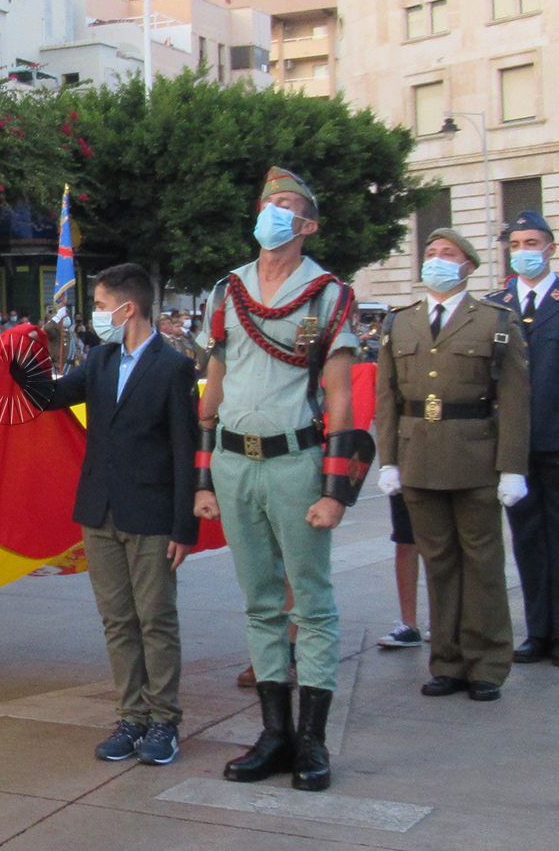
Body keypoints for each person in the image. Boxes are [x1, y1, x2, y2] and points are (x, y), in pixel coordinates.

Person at [194, 167, 359, 793]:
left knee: (310, 603)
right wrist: (203, 478)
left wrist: (334, 492)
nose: (274, 213)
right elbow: (213, 387)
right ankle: (274, 734)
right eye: (268, 204)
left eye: (287, 205)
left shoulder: (326, 294)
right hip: (234, 462)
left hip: (295, 461)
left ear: (308, 225)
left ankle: (312, 741)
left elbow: (339, 396)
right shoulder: (227, 290)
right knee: (260, 602)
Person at [16, 264, 199, 766]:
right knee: (117, 620)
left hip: (152, 513)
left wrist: (184, 525)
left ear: (127, 308)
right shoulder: (100, 360)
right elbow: (51, 397)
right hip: (99, 510)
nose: (95, 314)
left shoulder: (173, 367)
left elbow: (185, 450)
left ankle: (164, 720)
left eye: (99, 305)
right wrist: (18, 359)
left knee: (155, 618)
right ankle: (131, 717)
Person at [377, 228, 530, 701]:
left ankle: (487, 664)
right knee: (439, 563)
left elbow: (515, 400)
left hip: (475, 456)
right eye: (431, 252)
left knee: (482, 563)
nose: (436, 260)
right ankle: (447, 660)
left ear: (468, 266)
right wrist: (388, 460)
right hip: (419, 456)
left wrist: (513, 468)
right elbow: (387, 397)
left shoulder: (495, 321)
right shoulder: (400, 322)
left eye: (447, 254)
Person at [487, 210, 559, 668]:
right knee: (527, 538)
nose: (523, 252)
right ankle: (538, 630)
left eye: (532, 244)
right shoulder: (496, 306)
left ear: (551, 248)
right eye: (516, 245)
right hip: (515, 444)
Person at [376, 495, 425, 648]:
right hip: (404, 482)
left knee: (439, 543)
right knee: (404, 539)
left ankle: (442, 622)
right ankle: (408, 625)